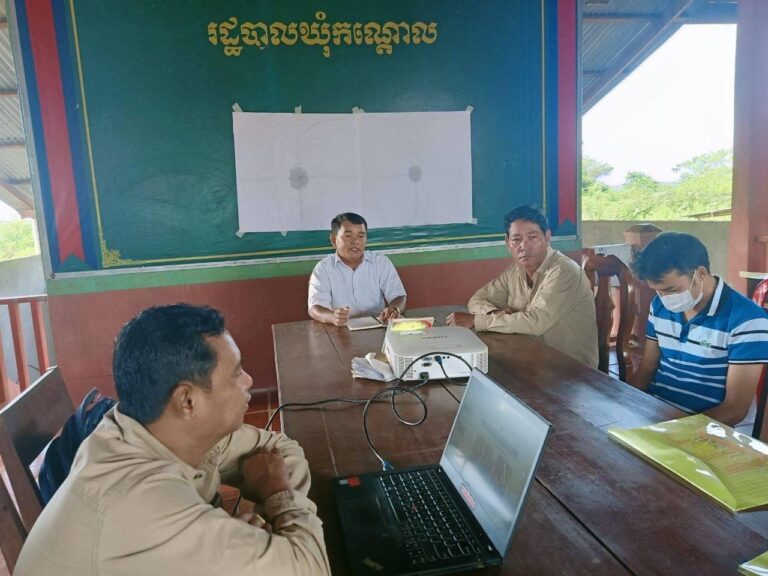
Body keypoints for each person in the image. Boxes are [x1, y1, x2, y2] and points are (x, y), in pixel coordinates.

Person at [15, 304, 330, 576]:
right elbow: (311, 569)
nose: (249, 381)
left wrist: (244, 542)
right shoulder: (140, 499)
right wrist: (277, 495)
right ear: (187, 401)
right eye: (235, 375)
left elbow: (281, 449)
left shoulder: (155, 427)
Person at [630, 232, 768, 434]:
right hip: (654, 415)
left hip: (704, 430)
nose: (665, 298)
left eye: (672, 289)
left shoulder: (747, 320)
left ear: (701, 273)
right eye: (658, 291)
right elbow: (646, 369)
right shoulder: (659, 306)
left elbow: (734, 409)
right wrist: (624, 406)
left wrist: (674, 431)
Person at [447, 205, 598, 368]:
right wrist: (494, 313)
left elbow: (536, 322)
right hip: (529, 358)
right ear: (507, 243)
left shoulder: (564, 271)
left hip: (570, 369)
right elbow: (479, 298)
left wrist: (477, 321)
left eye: (532, 237)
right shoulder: (515, 270)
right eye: (516, 239)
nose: (524, 246)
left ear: (547, 237)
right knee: (467, 369)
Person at [308, 212, 407, 327]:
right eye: (348, 236)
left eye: (361, 236)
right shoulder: (323, 268)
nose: (355, 241)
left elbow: (399, 296)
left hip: (378, 325)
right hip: (340, 328)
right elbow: (315, 308)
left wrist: (394, 309)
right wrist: (333, 317)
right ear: (334, 240)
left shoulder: (380, 262)